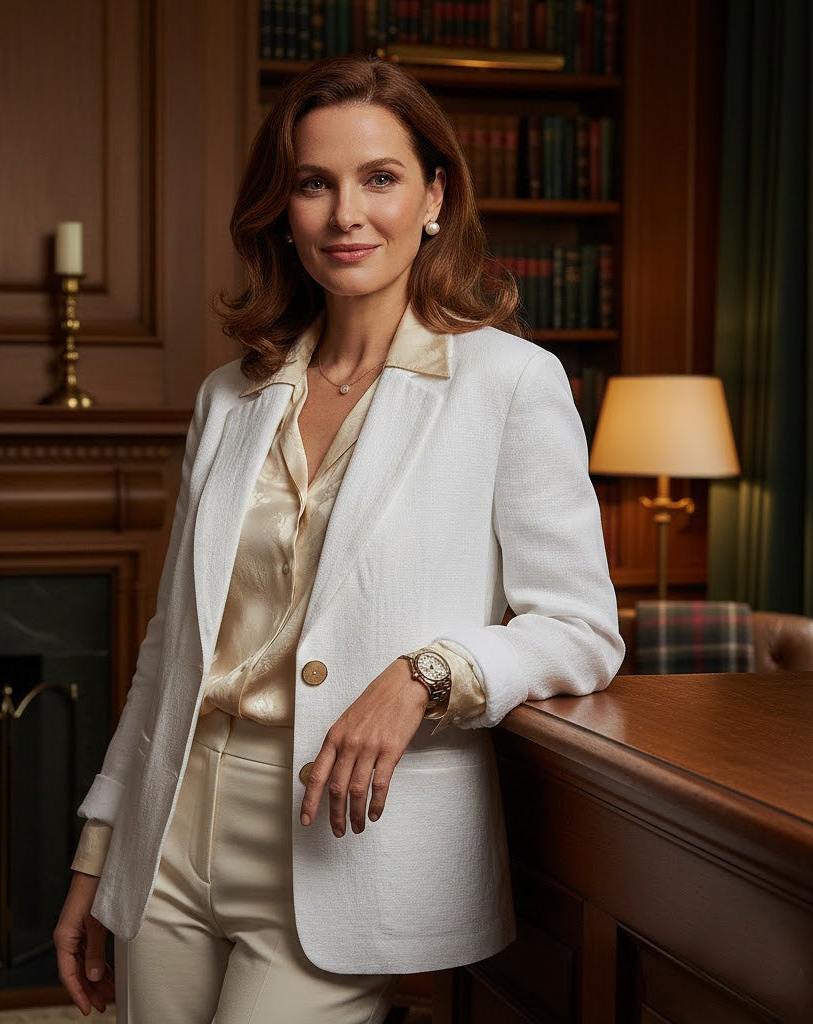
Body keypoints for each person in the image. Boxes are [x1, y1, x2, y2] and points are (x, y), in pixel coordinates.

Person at [53, 54, 624, 1024]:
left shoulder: (509, 384)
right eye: (314, 183)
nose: (344, 213)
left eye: (379, 178)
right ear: (283, 207)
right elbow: (169, 646)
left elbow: (580, 626)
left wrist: (425, 674)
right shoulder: (229, 395)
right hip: (176, 824)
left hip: (341, 839)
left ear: (435, 194)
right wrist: (99, 853)